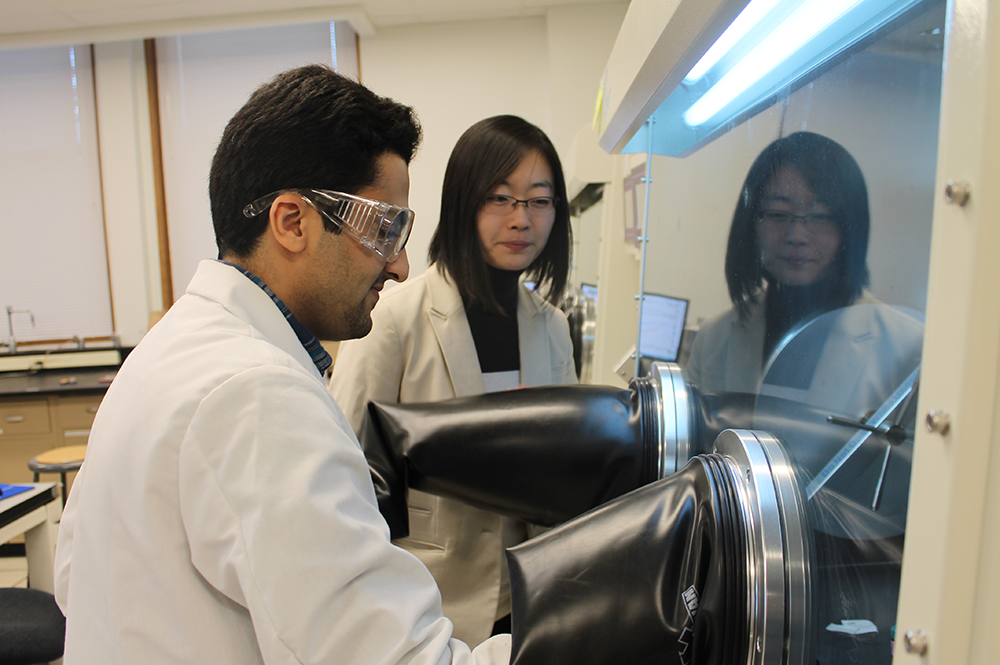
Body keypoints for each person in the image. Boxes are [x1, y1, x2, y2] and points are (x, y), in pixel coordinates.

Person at [53, 65, 511, 664]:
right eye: (385, 228)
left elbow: (71, 577)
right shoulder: (258, 395)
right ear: (292, 222)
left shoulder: (169, 351)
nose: (399, 266)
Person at [329, 114, 577, 645]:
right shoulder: (393, 319)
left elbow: (569, 464)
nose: (521, 220)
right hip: (422, 604)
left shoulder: (553, 327)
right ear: (463, 203)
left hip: (530, 602)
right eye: (499, 198)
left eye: (539, 200)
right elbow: (345, 469)